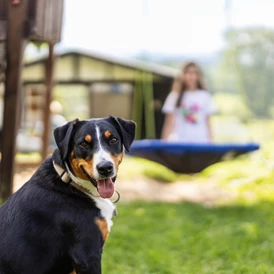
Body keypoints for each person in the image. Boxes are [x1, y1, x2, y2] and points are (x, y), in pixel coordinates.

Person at [161, 62, 218, 143]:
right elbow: (168, 123)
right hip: (180, 142)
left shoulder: (205, 96)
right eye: (188, 72)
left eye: (194, 73)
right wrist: (164, 144)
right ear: (182, 75)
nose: (191, 76)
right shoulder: (174, 96)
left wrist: (211, 141)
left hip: (201, 142)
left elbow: (208, 123)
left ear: (199, 76)